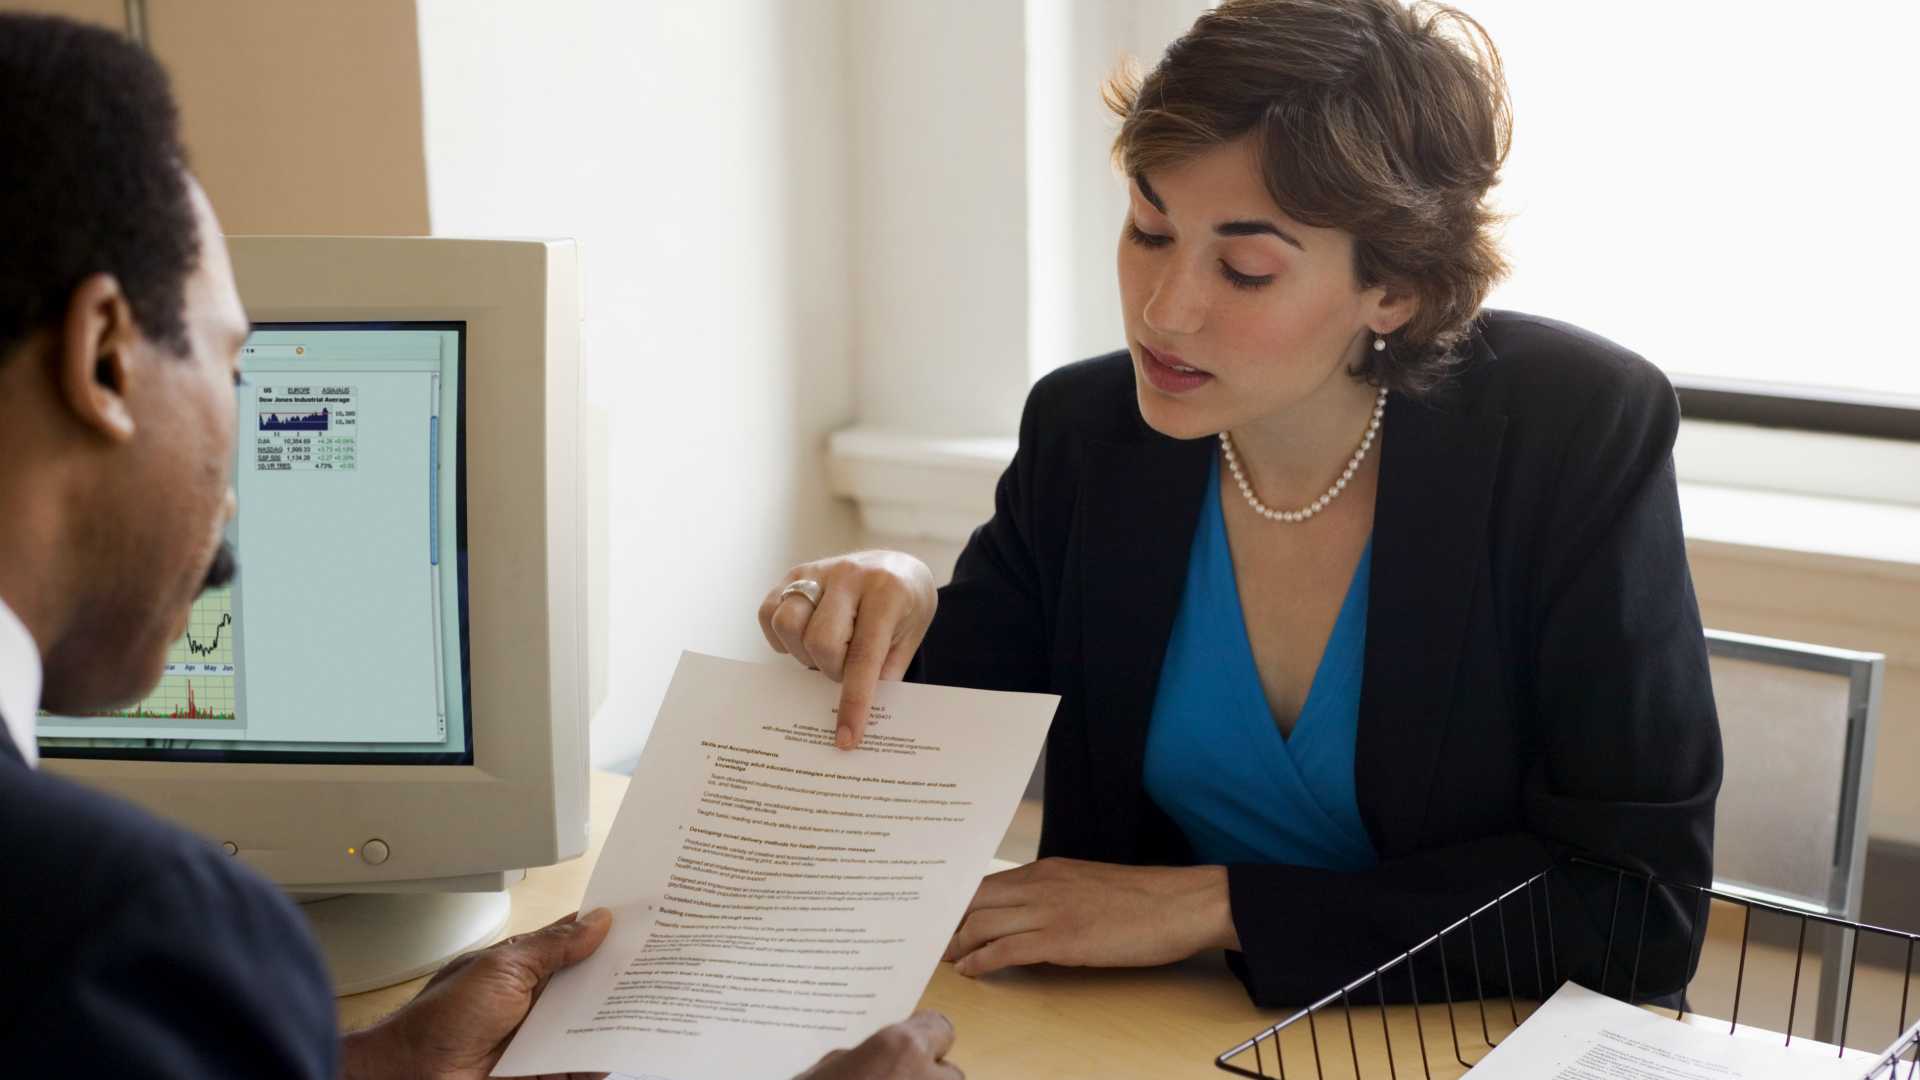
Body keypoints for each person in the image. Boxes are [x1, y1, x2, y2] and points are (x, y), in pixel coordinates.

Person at [0, 14, 959, 1079]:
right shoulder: (126, 937)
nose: (231, 499)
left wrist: (378, 1066)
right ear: (103, 361)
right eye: (231, 368)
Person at [759, 0, 1722, 1007]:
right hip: (1149, 1036)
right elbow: (937, 728)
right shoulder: (1090, 433)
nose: (1164, 312)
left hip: (1462, 1042)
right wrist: (894, 600)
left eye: (1246, 268)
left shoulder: (1570, 431)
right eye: (1148, 228)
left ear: (1392, 290)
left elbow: (1636, 911)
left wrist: (1217, 905)